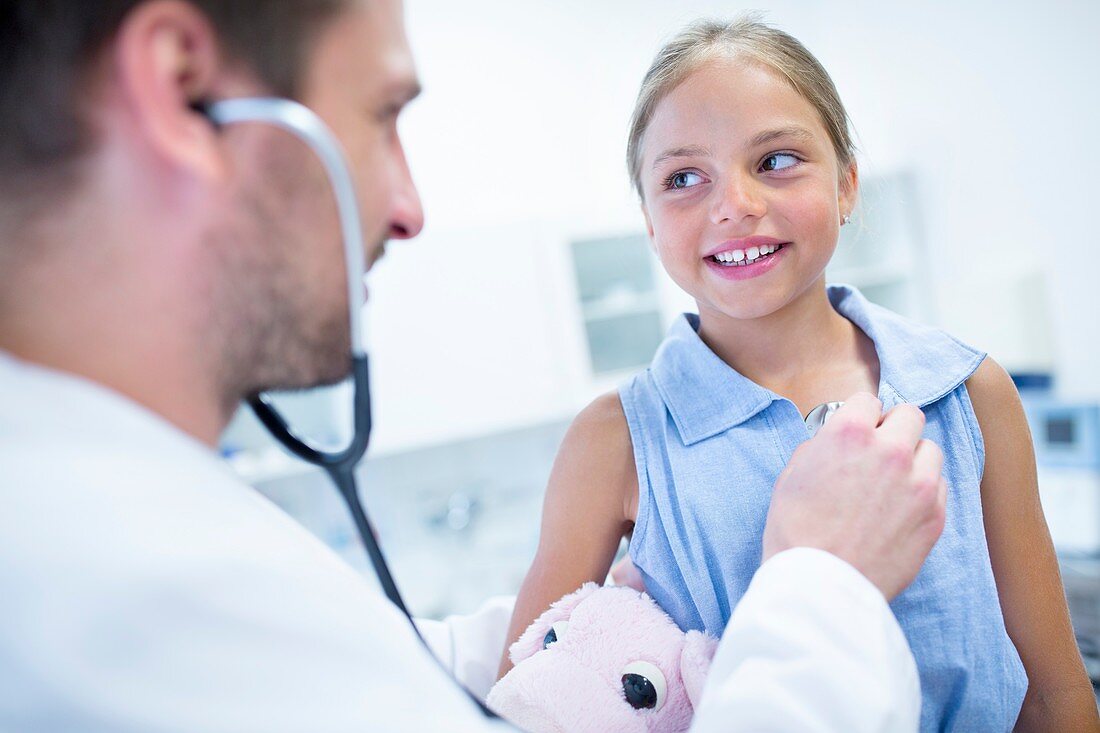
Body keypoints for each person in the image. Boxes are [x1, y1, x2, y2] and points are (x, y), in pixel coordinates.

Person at [0, 0, 950, 729]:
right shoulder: (117, 601)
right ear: (180, 87)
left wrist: (611, 628)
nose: (411, 207)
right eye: (381, 117)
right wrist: (823, 584)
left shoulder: (144, 543)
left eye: (777, 161)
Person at [499, 16, 1098, 732]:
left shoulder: (968, 391)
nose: (735, 205)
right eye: (684, 178)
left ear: (847, 183)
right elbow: (521, 701)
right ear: (651, 225)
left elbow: (1055, 694)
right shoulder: (616, 441)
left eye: (776, 160)